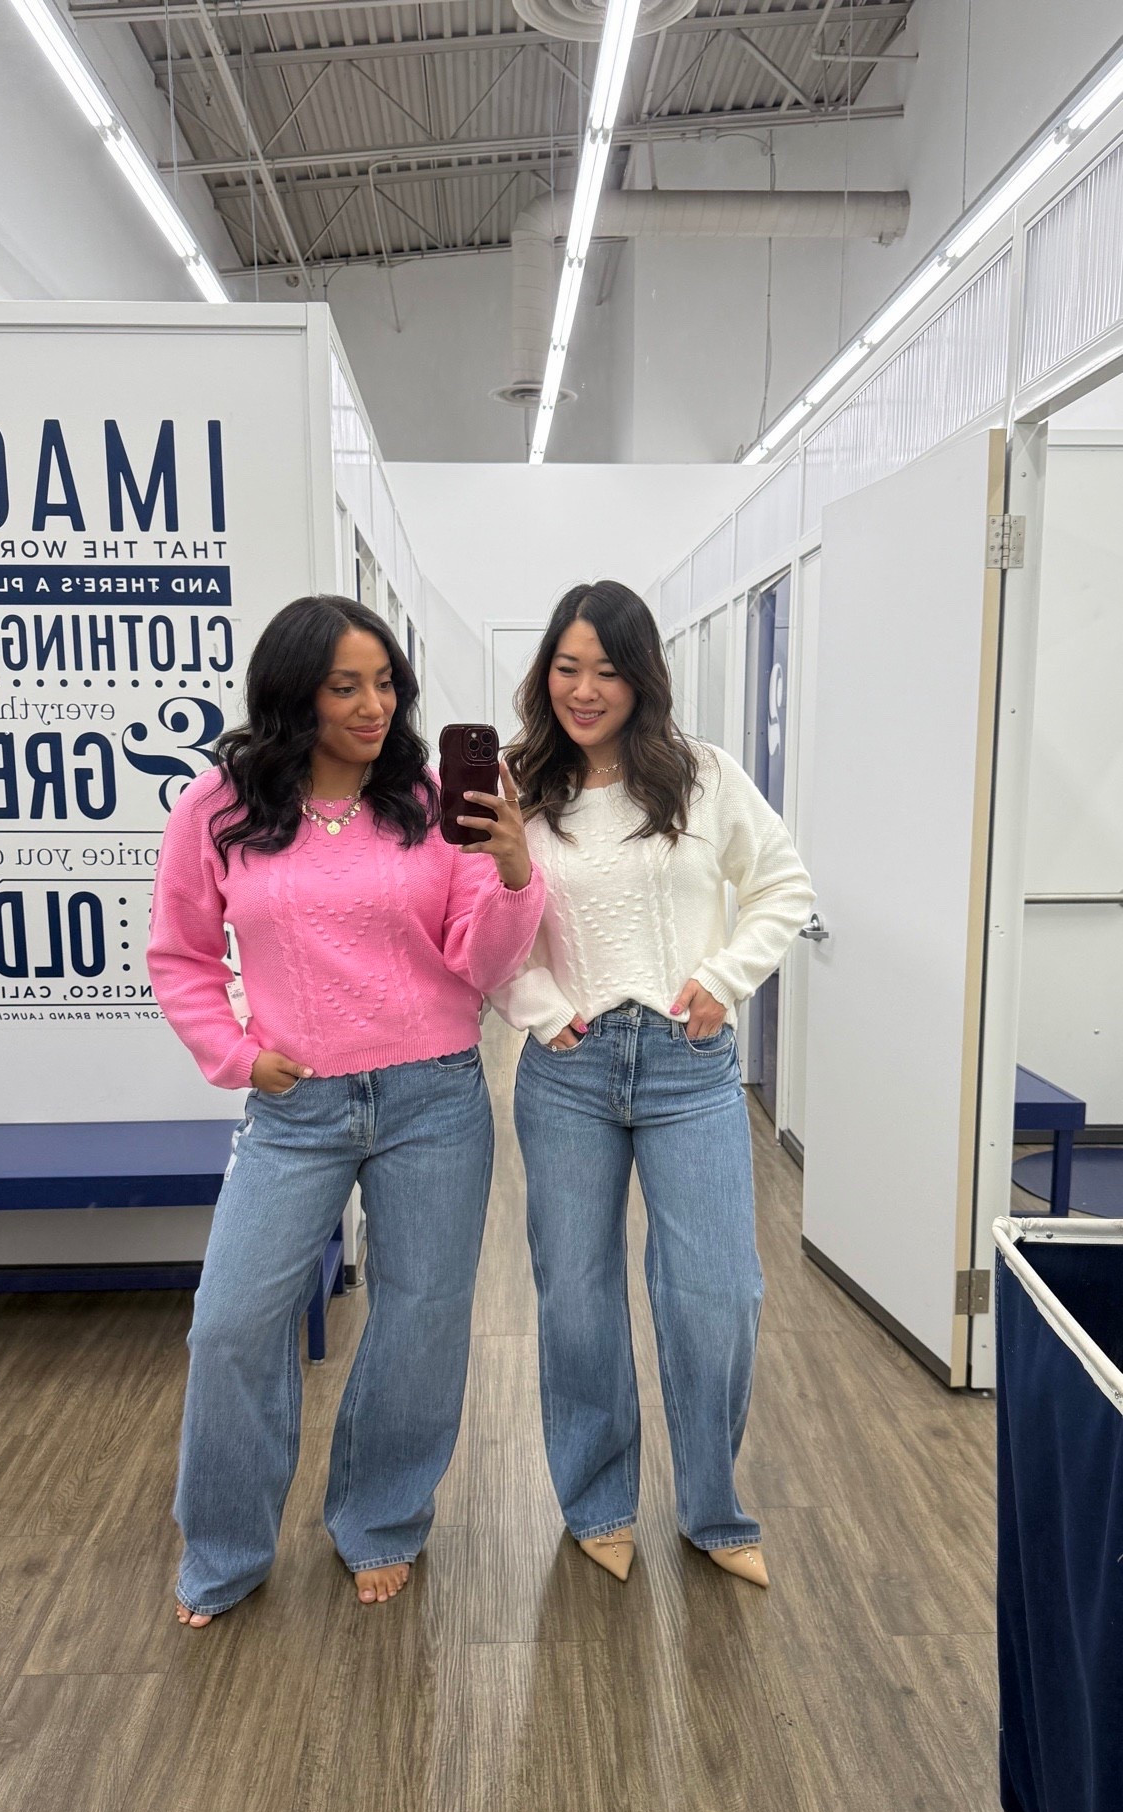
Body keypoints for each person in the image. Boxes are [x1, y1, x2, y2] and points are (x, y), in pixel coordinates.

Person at [148, 595, 542, 1623]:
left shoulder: (428, 798)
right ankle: (226, 1548)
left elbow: (480, 961)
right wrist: (237, 1054)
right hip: (297, 1107)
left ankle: (380, 1519)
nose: (375, 706)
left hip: (435, 1097)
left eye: (387, 684)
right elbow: (181, 954)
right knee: (232, 1325)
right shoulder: (220, 807)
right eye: (345, 686)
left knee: (421, 1319)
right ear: (293, 693)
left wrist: (512, 875)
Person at [493, 581, 813, 1586]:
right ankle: (598, 1500)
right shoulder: (516, 787)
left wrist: (726, 976)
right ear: (544, 673)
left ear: (643, 677)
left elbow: (784, 885)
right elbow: (481, 925)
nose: (585, 689)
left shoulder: (702, 775)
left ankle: (714, 1506)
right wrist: (539, 1005)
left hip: (688, 1066)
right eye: (567, 667)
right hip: (569, 1069)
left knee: (718, 1293)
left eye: (608, 669)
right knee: (577, 1296)